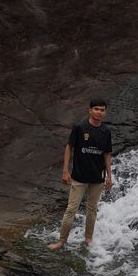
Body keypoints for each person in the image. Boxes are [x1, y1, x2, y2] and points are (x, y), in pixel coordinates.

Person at [48, 98, 113, 251]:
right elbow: (69, 147)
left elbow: (106, 154)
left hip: (97, 177)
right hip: (79, 176)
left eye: (102, 110)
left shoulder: (106, 131)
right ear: (90, 110)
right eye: (96, 109)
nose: (99, 112)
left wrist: (109, 176)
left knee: (92, 209)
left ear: (105, 112)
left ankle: (88, 238)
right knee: (71, 209)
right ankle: (61, 241)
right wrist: (65, 170)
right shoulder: (80, 127)